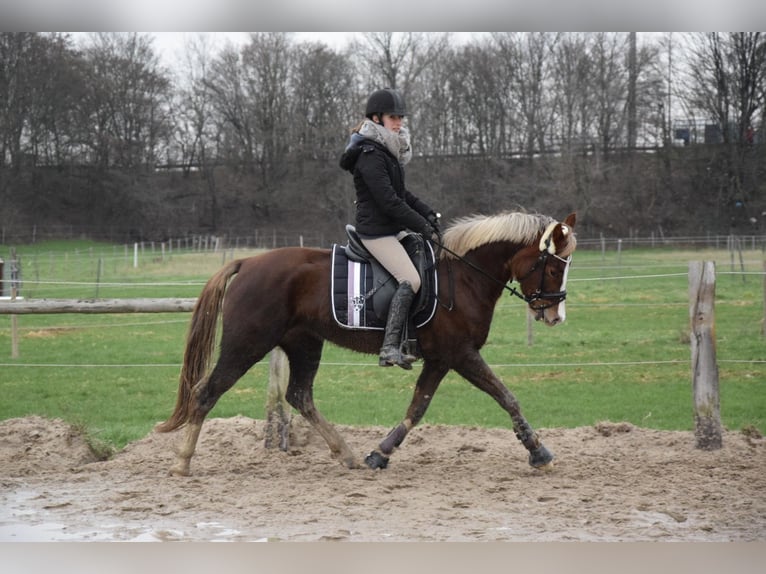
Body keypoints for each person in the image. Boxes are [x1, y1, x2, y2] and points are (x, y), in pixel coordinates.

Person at [339, 87, 441, 370]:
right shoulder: (370, 153)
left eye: (400, 118)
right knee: (412, 279)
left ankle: (411, 342)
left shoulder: (388, 150)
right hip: (376, 232)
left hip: (391, 228)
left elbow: (402, 194)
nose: (399, 122)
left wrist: (428, 212)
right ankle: (389, 347)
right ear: (377, 118)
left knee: (425, 265)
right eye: (393, 117)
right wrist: (421, 225)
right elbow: (388, 202)